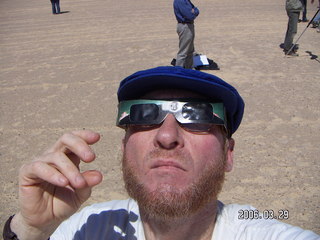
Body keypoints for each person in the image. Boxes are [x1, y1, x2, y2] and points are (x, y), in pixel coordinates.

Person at [3, 66, 320, 240]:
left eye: (197, 114)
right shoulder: (84, 228)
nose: (167, 136)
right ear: (124, 147)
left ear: (229, 155)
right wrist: (32, 230)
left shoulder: (261, 230)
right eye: (144, 114)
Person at [173, 0, 199, 69]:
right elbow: (190, 15)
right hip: (185, 26)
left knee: (190, 51)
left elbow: (196, 10)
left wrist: (195, 11)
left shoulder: (186, 0)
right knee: (183, 53)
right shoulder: (181, 1)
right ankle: (178, 73)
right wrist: (193, 11)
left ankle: (188, 71)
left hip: (189, 26)